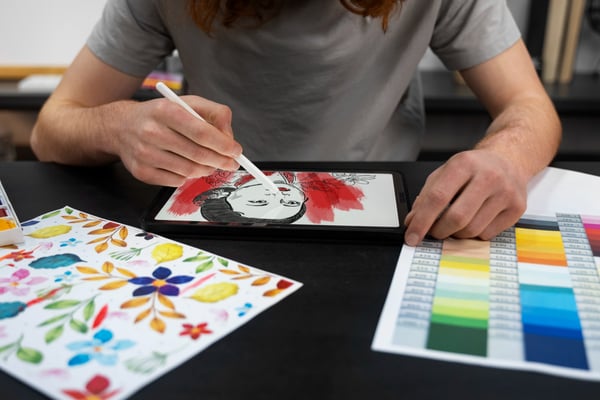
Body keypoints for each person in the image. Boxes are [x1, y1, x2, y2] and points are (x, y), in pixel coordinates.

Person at [30, 0, 561, 247]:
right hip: (204, 237)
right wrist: (120, 127)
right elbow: (51, 129)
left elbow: (530, 107)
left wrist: (505, 157)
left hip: (385, 232)